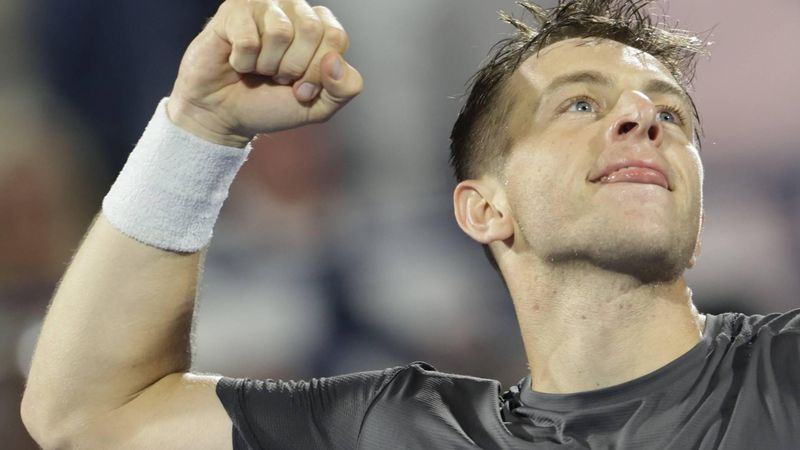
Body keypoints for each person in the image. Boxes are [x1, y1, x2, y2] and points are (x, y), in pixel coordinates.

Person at [20, 0, 800, 448]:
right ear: (485, 208)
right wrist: (196, 129)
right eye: (581, 104)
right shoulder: (398, 430)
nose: (643, 116)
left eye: (671, 113)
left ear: (695, 220)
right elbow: (88, 415)